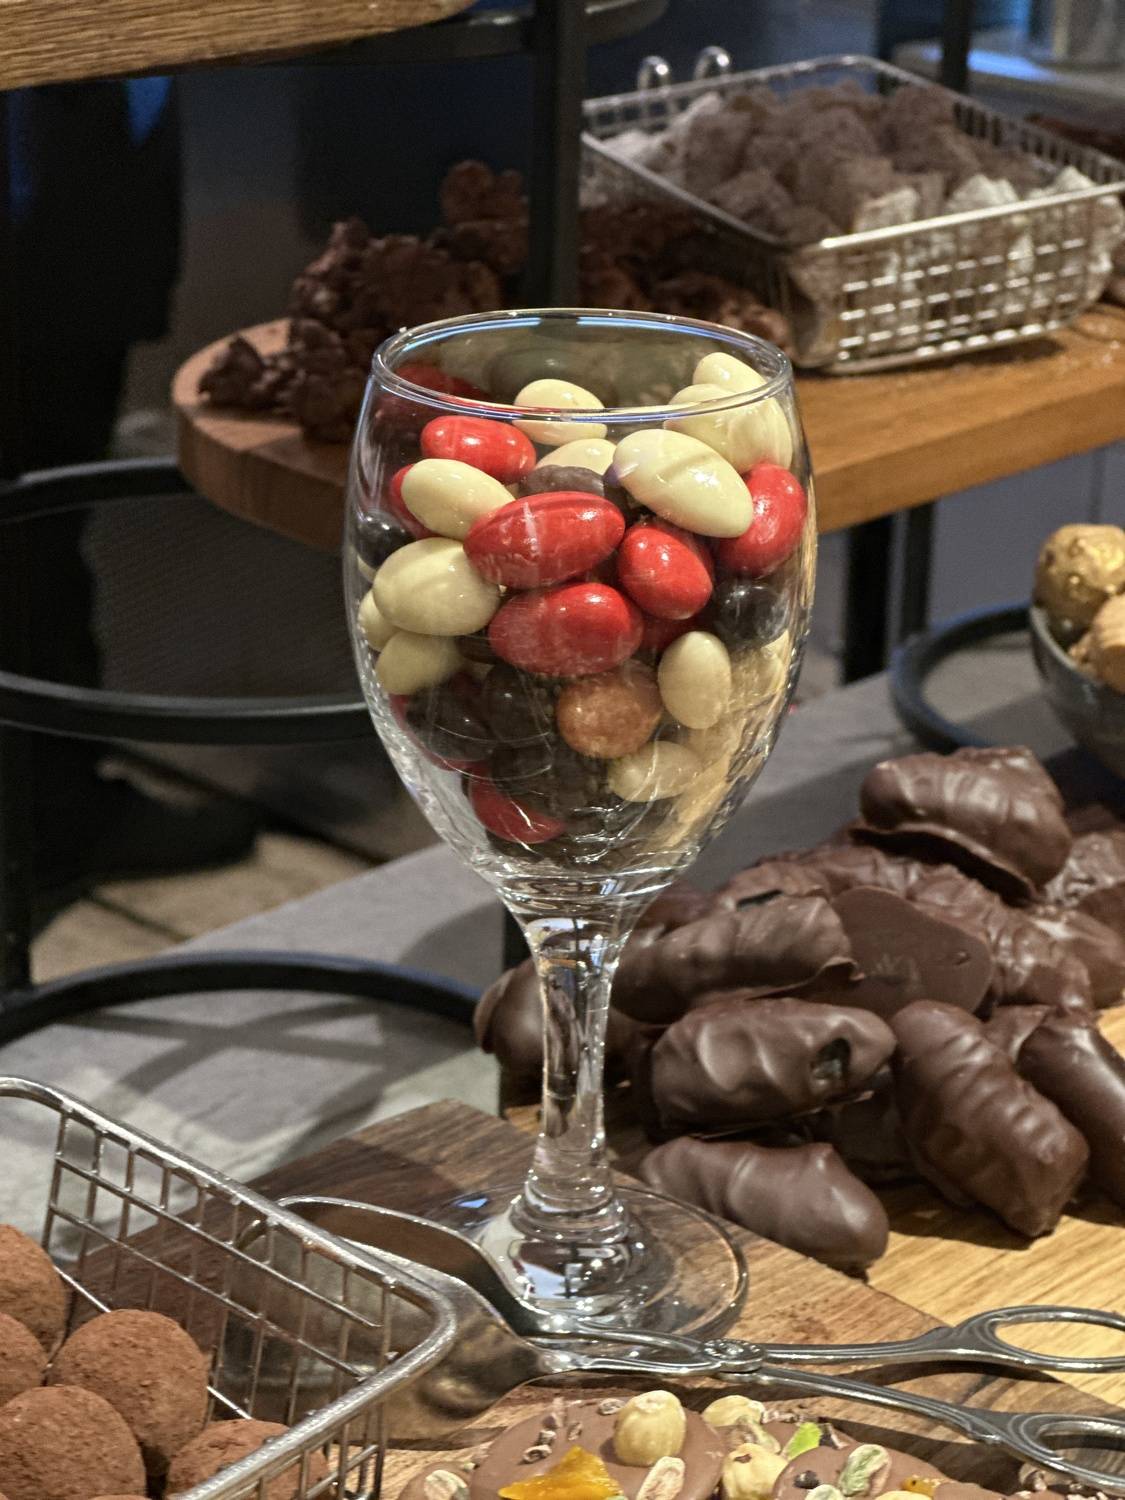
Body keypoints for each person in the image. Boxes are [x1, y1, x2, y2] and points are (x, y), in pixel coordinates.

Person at [2, 78, 257, 924]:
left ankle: (55, 816)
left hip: (69, 190)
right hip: (46, 205)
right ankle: (49, 832)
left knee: (37, 526)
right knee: (33, 528)